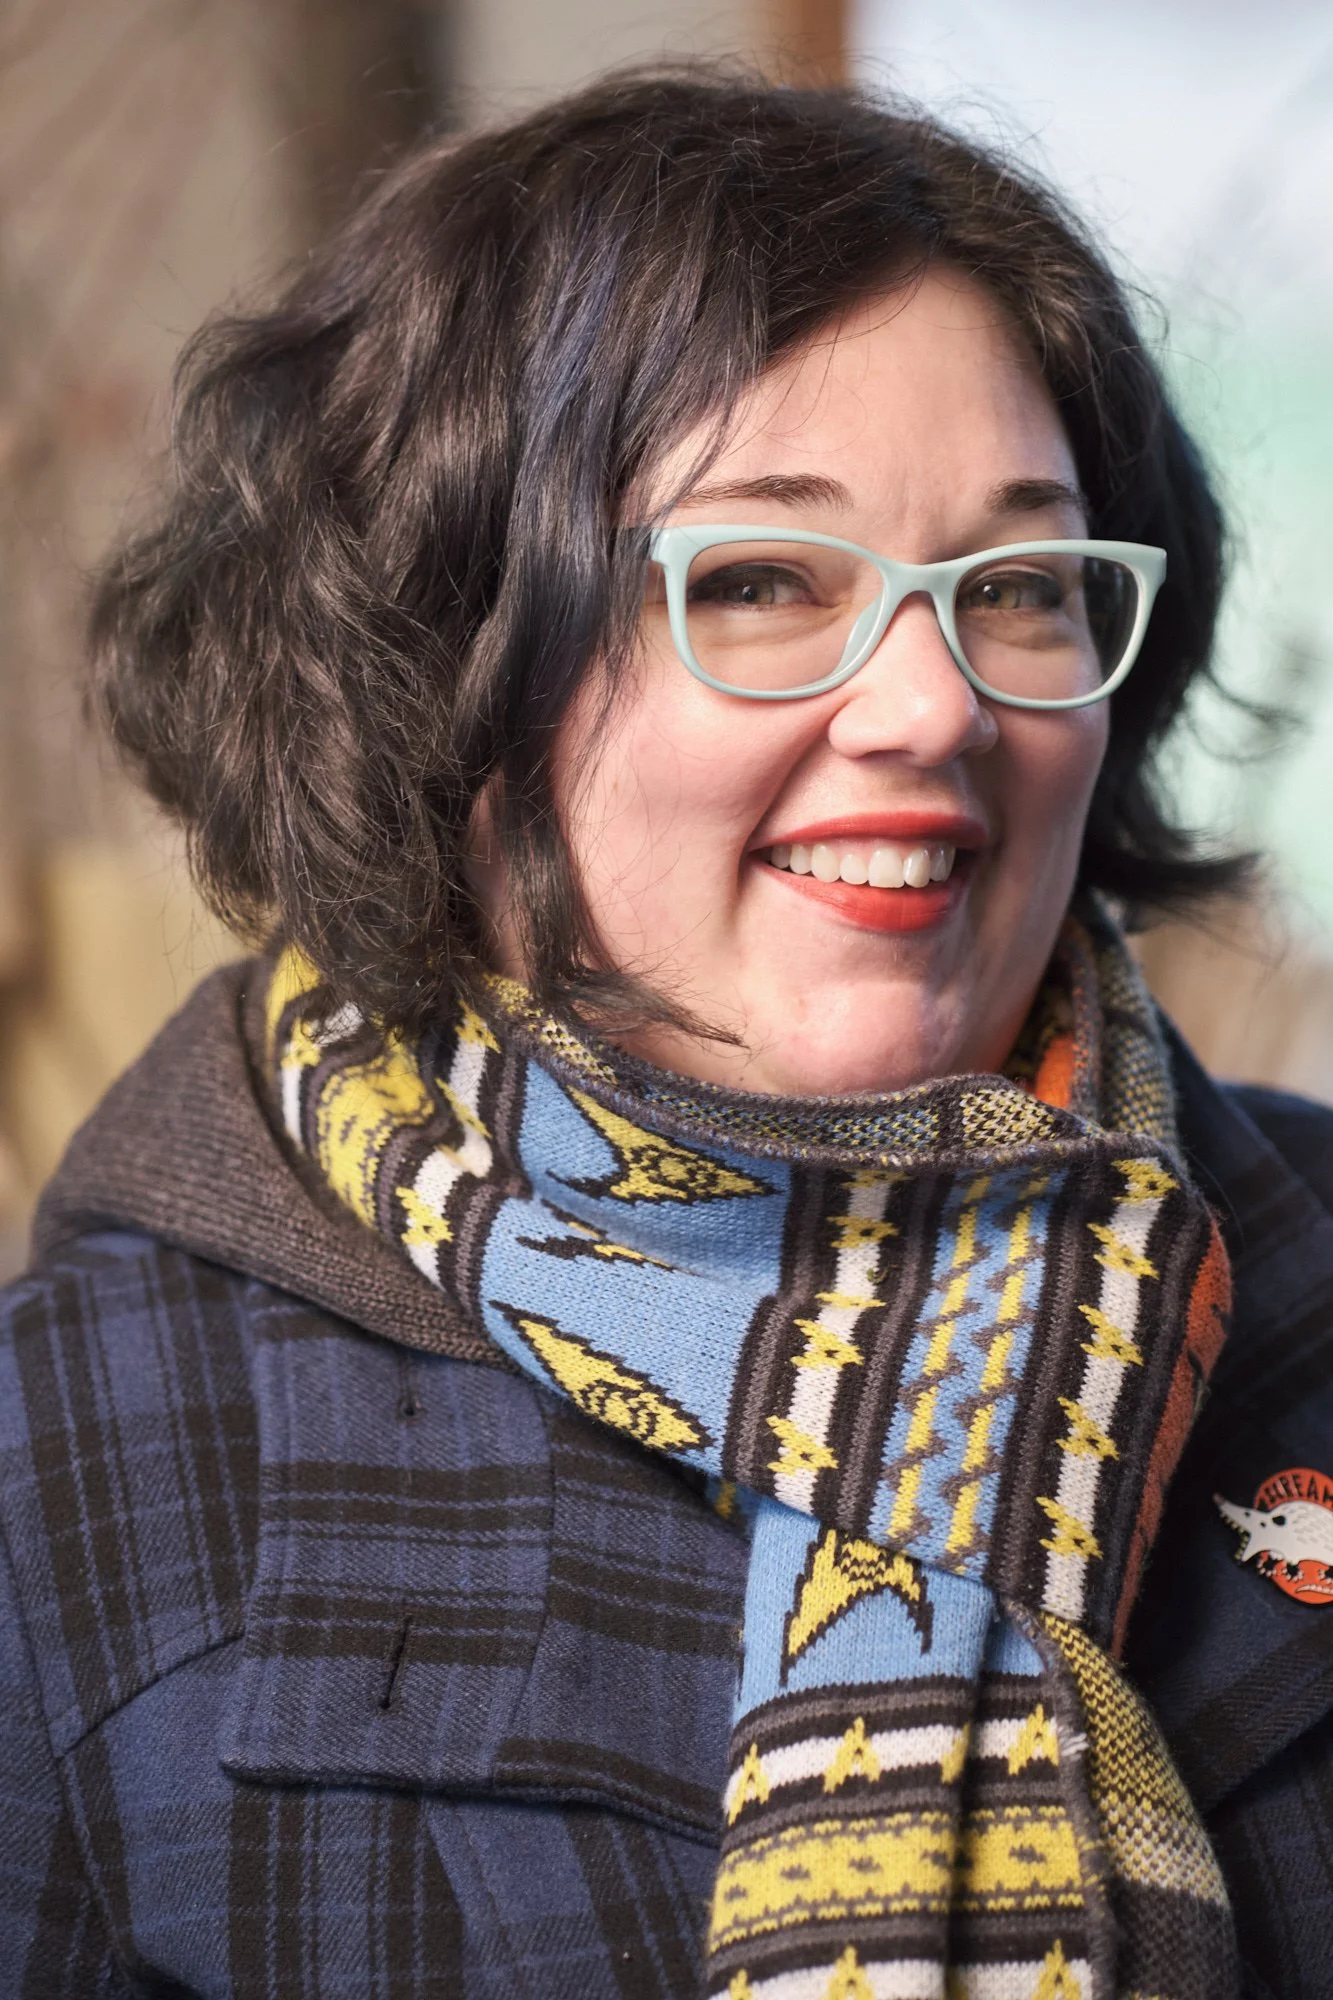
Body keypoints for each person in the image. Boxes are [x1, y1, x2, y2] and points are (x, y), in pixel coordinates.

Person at [1, 65, 1331, 2000]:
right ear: (436, 664)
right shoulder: (71, 1471)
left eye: (1022, 583)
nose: (931, 706)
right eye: (765, 579)